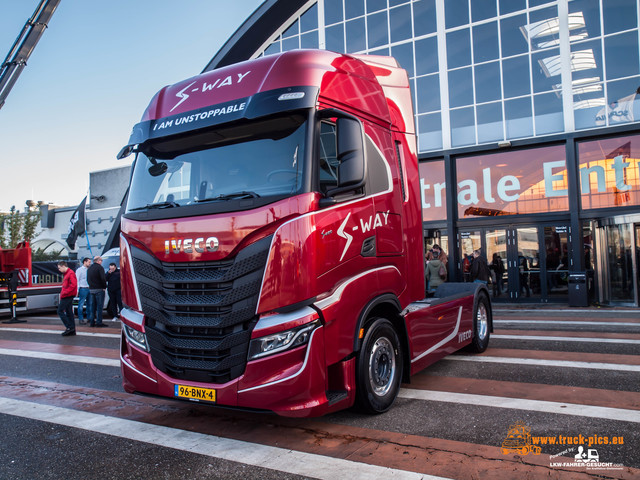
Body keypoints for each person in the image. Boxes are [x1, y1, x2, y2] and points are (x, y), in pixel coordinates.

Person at [57, 261, 78, 336]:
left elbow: (73, 285)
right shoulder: (68, 273)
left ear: (63, 266)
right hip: (68, 295)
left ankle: (69, 327)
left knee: (60, 311)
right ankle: (72, 329)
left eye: (59, 268)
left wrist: (65, 292)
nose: (59, 270)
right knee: (69, 312)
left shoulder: (70, 273)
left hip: (67, 295)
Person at [87, 255, 108, 327]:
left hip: (92, 289)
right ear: (98, 261)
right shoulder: (100, 268)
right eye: (101, 260)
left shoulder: (89, 268)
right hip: (99, 289)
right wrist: (104, 286)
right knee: (99, 307)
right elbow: (103, 278)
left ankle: (92, 322)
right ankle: (99, 322)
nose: (101, 262)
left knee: (92, 307)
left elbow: (88, 279)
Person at [75, 257, 92, 325]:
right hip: (83, 288)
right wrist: (77, 290)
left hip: (89, 288)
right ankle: (81, 319)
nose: (89, 263)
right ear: (84, 262)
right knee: (81, 304)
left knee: (89, 304)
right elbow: (77, 280)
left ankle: (89, 318)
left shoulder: (89, 269)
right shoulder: (79, 270)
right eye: (89, 262)